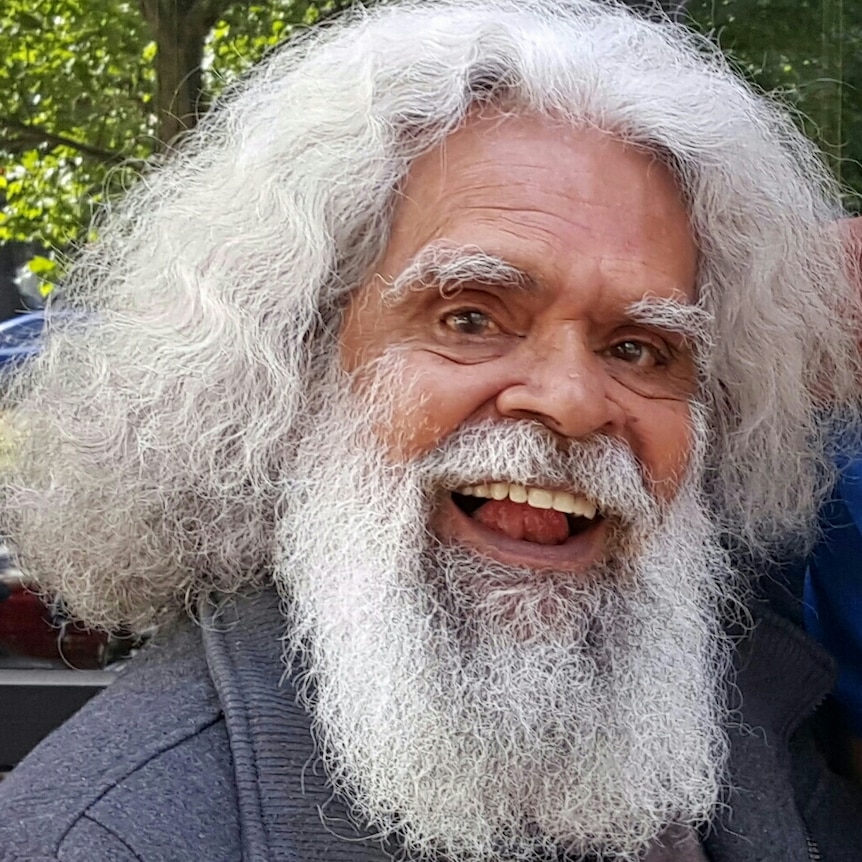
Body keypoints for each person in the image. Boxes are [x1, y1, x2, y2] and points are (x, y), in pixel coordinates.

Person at [1, 1, 861, 859]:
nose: (570, 401)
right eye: (471, 318)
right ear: (293, 362)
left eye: (639, 347)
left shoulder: (753, 730)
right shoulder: (106, 837)